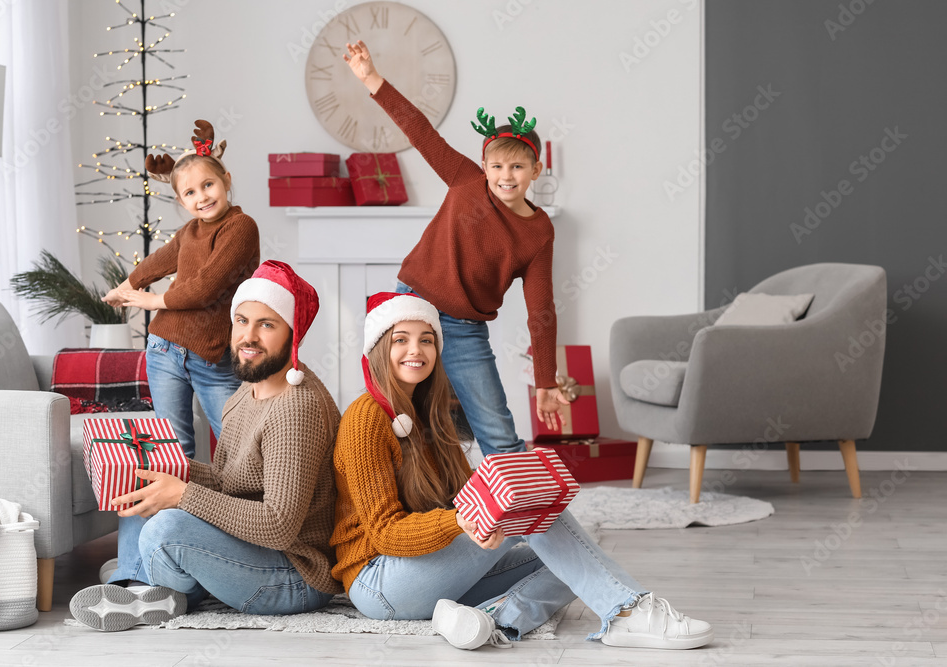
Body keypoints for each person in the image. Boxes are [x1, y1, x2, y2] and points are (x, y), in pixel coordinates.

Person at [331, 292, 713, 651]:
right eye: (401, 339)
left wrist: (504, 502)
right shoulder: (366, 417)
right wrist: (463, 522)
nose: (416, 350)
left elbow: (468, 492)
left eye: (427, 340)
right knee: (538, 523)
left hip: (428, 570)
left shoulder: (432, 415)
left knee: (570, 559)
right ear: (380, 349)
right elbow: (384, 534)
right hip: (378, 580)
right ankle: (628, 611)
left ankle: (491, 621)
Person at [72, 261, 343, 631]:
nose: (249, 337)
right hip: (251, 550)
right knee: (142, 486)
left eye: (267, 325)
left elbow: (278, 526)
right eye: (243, 321)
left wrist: (183, 494)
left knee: (166, 529)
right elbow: (228, 482)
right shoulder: (247, 391)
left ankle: (148, 581)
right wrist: (166, 469)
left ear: (292, 333)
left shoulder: (296, 409)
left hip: (293, 575)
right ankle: (147, 586)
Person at [342, 41, 570, 458]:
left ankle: (523, 520)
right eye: (497, 165)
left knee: (498, 434)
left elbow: (542, 309)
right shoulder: (465, 179)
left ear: (536, 170)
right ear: (484, 166)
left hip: (465, 327)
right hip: (413, 306)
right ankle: (401, 511)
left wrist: (546, 382)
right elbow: (421, 131)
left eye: (518, 167)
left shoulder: (539, 233)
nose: (506, 176)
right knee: (397, 418)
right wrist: (371, 79)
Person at [99, 120, 259, 585]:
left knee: (239, 457)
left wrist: (148, 301)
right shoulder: (189, 231)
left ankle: (223, 562)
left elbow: (205, 287)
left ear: (225, 181)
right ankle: (136, 578)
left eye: (208, 185)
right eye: (190, 193)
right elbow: (159, 262)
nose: (202, 197)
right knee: (164, 459)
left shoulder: (240, 227)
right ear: (182, 201)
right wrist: (126, 286)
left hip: (212, 359)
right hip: (164, 350)